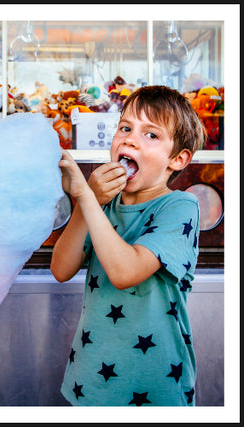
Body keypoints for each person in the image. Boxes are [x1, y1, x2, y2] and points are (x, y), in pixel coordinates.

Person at [51, 85, 206, 406]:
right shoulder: (103, 205)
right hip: (91, 380)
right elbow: (61, 269)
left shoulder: (180, 207)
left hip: (157, 386)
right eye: (125, 128)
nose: (131, 139)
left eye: (151, 135)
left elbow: (126, 271)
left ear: (177, 159)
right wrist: (89, 201)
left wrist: (84, 195)